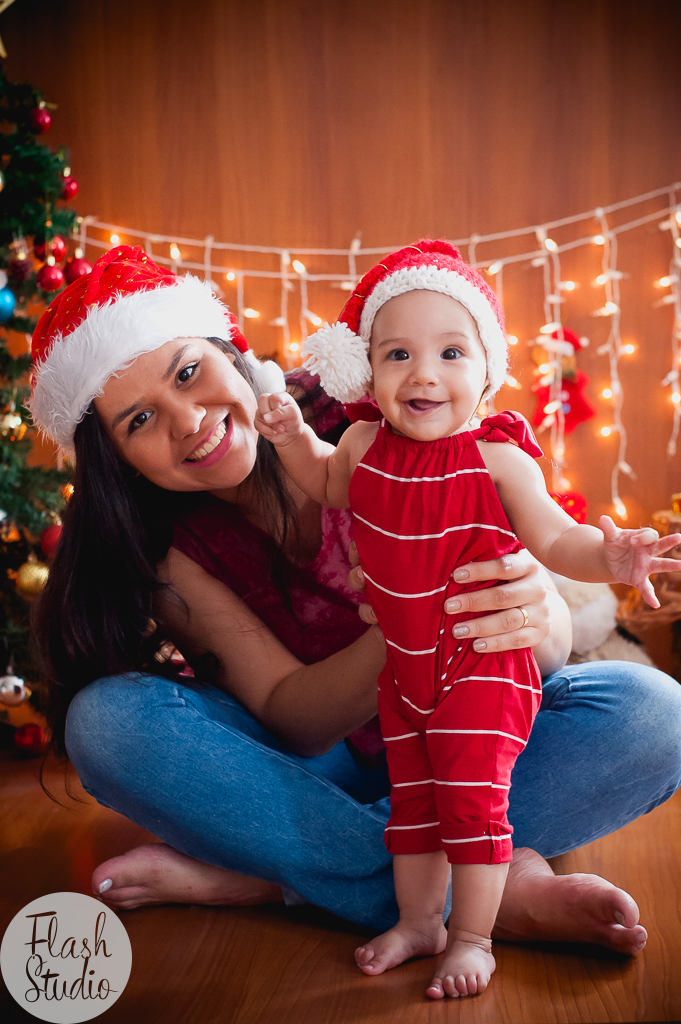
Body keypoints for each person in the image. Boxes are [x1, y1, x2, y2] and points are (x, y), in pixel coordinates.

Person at [30, 246, 680, 982]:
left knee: (654, 713)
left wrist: (539, 608)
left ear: (229, 350)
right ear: (118, 457)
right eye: (140, 419)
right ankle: (486, 895)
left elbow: (549, 646)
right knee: (106, 723)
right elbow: (289, 713)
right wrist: (404, 620)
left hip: (473, 729)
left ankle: (280, 881)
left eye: (188, 372)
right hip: (319, 771)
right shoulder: (166, 550)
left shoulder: (368, 398)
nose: (187, 422)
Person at [255, 240, 681, 999]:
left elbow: (554, 537)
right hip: (404, 675)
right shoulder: (358, 444)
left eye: (451, 352)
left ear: (488, 371)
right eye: (396, 354)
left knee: (471, 802)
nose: (422, 373)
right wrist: (289, 435)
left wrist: (610, 557)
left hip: (480, 668)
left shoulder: (495, 460)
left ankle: (472, 936)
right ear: (366, 372)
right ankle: (418, 922)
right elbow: (322, 481)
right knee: (415, 805)